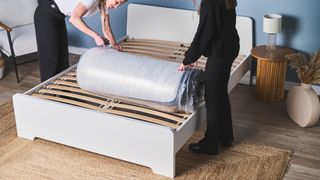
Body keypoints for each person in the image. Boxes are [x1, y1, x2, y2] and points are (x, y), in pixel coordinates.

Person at [178, 0, 239, 155]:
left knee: (212, 95)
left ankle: (210, 144)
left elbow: (204, 33)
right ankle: (226, 136)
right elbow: (214, 29)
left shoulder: (210, 2)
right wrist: (195, 54)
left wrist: (188, 59)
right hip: (229, 47)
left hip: (220, 53)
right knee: (220, 93)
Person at [34, 0, 127, 82]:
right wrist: (96, 36)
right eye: (117, 2)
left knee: (63, 60)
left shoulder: (104, 4)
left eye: (120, 4)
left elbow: (106, 28)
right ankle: (46, 99)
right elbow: (74, 18)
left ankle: (63, 95)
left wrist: (114, 44)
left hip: (59, 17)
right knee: (50, 62)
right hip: (46, 14)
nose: (116, 6)